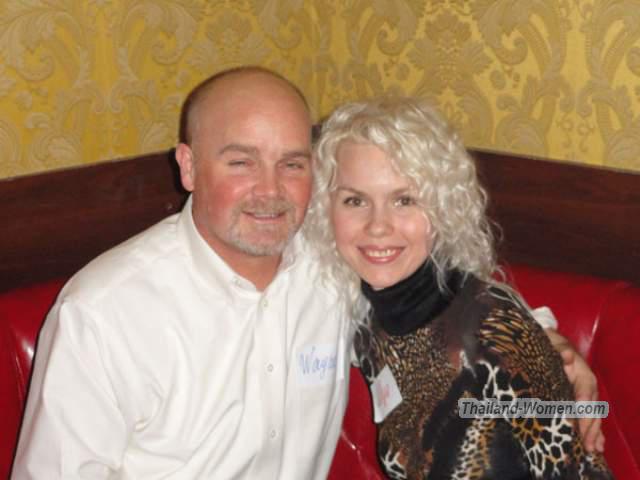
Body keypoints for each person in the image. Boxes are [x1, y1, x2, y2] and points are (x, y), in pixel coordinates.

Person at [12, 67, 600, 479]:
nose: (269, 191)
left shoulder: (332, 268)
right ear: (188, 166)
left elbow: (450, 307)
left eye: (291, 164)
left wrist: (553, 349)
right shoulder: (103, 313)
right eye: (241, 162)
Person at [306, 97, 612, 478]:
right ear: (325, 209)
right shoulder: (369, 315)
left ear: (443, 208)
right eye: (355, 200)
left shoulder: (491, 341)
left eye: (404, 200)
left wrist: (544, 344)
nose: (378, 226)